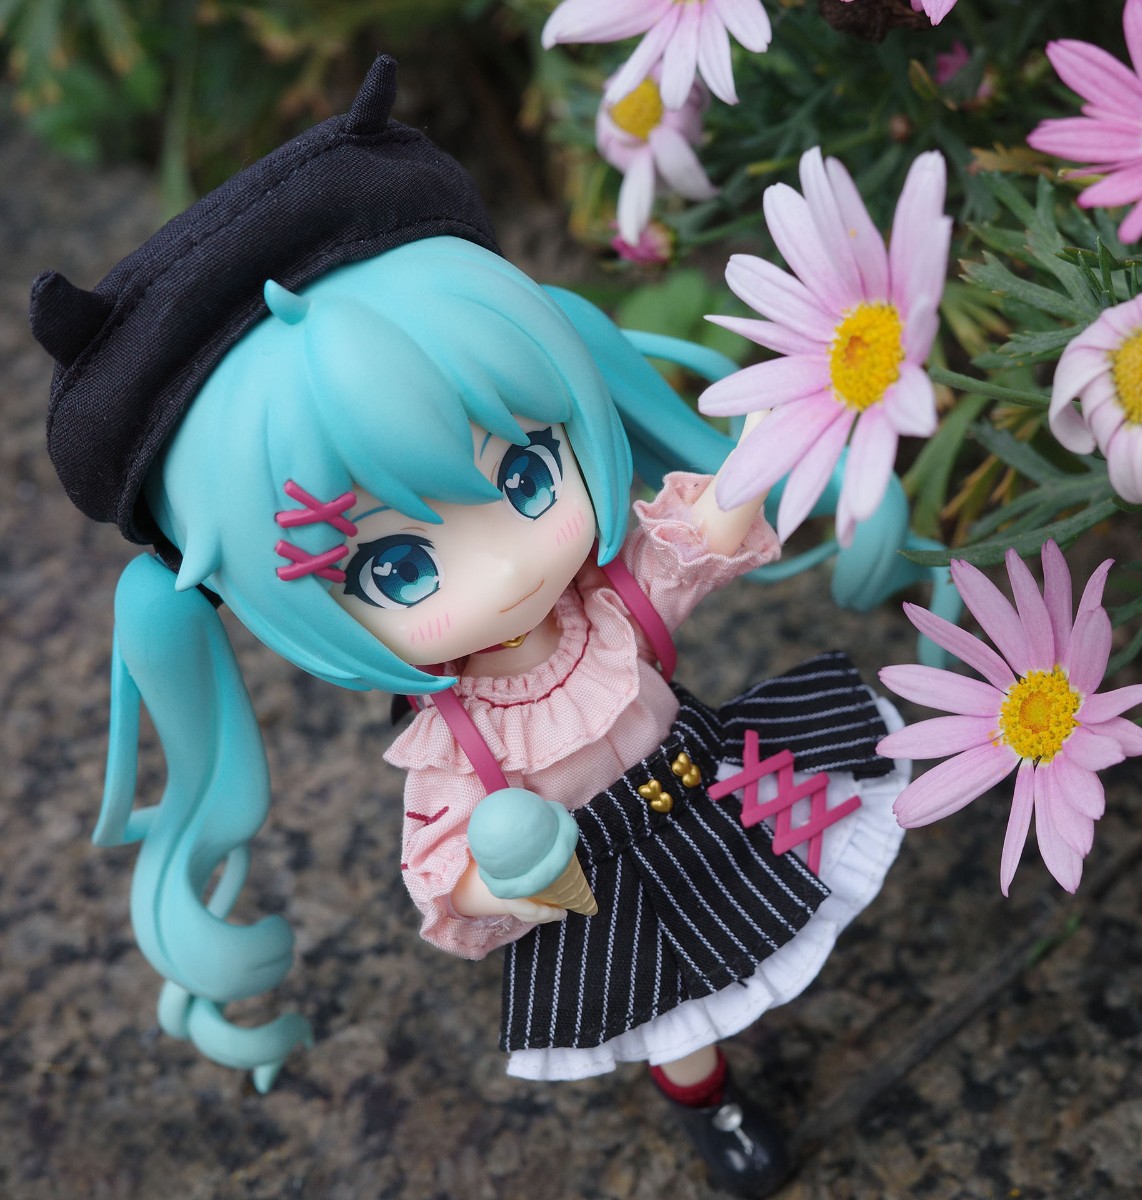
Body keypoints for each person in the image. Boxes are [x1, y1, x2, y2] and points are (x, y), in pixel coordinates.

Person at [29, 56, 920, 1199]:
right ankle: (714, 1106)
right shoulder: (459, 742)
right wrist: (509, 880)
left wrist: (776, 443)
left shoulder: (611, 609)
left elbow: (696, 538)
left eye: (528, 475)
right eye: (395, 567)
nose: (504, 566)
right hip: (607, 882)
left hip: (723, 792)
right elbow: (442, 875)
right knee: (680, 1021)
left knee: (803, 887)